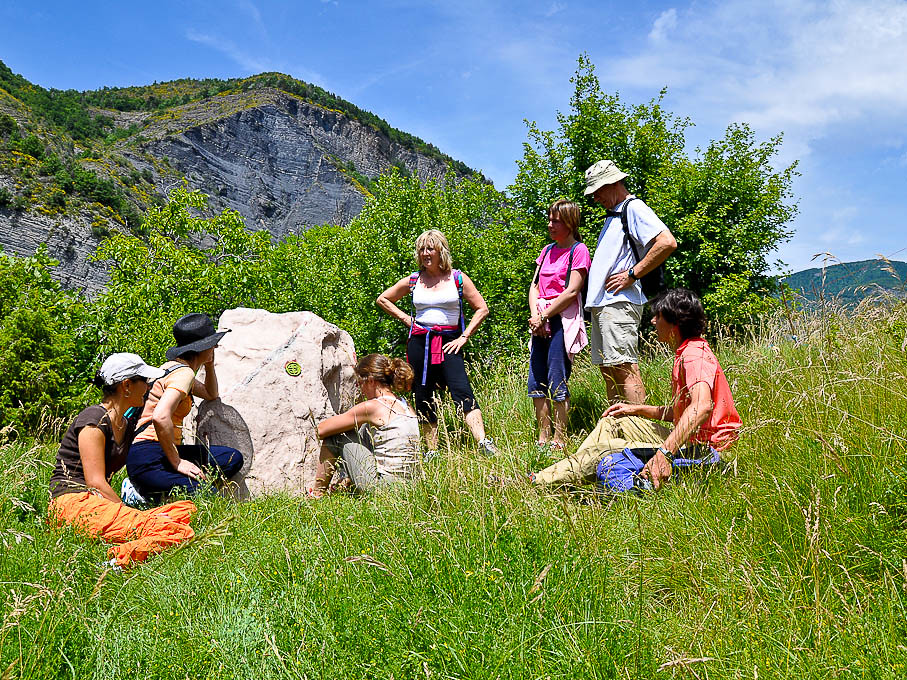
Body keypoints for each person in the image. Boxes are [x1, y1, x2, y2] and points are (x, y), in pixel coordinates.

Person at [531, 288, 741, 490]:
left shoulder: (694, 355)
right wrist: (635, 410)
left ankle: (536, 482)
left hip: (705, 450)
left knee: (606, 447)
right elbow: (682, 412)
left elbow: (701, 407)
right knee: (615, 420)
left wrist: (664, 455)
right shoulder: (687, 351)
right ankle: (576, 468)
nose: (652, 321)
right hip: (691, 439)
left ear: (674, 324)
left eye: (657, 317)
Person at [48, 353, 197, 569]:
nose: (148, 387)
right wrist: (129, 512)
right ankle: (116, 560)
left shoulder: (125, 424)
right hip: (73, 504)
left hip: (96, 504)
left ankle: (137, 539)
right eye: (144, 381)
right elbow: (95, 483)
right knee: (180, 531)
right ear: (126, 385)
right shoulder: (93, 419)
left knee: (185, 509)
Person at [376, 229, 497, 456]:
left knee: (461, 388)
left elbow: (482, 308)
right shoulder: (414, 280)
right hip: (420, 342)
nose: (425, 253)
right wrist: (406, 319)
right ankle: (431, 450)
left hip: (450, 341)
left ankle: (482, 442)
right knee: (423, 392)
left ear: (441, 250)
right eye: (422, 249)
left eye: (430, 248)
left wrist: (464, 337)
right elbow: (383, 299)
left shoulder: (458, 278)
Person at [583, 159, 677, 404]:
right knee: (610, 370)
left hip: (619, 303)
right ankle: (619, 431)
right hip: (606, 304)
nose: (595, 198)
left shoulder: (632, 207)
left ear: (613, 183)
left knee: (624, 368)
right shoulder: (614, 214)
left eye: (598, 191)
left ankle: (638, 433)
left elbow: (667, 242)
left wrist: (632, 274)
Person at [126, 313, 243, 503]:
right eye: (212, 343)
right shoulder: (184, 374)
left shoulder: (172, 368)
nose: (216, 347)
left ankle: (164, 490)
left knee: (231, 458)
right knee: (208, 496)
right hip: (150, 457)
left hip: (159, 451)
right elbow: (160, 416)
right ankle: (139, 494)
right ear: (201, 347)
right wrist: (177, 462)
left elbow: (210, 393)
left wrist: (210, 365)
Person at [528, 199, 590, 451]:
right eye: (549, 219)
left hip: (561, 320)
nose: (550, 224)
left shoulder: (579, 250)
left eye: (556, 220)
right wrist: (536, 316)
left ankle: (560, 438)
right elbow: (533, 286)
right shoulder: (546, 250)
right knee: (536, 379)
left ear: (570, 222)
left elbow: (572, 290)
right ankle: (543, 437)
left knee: (557, 378)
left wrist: (543, 317)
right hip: (539, 318)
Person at [313, 354, 421, 497]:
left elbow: (321, 430)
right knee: (363, 429)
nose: (360, 390)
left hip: (385, 489)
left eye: (359, 383)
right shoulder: (405, 404)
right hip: (412, 486)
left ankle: (316, 494)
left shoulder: (374, 406)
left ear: (370, 381)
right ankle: (346, 481)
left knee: (336, 435)